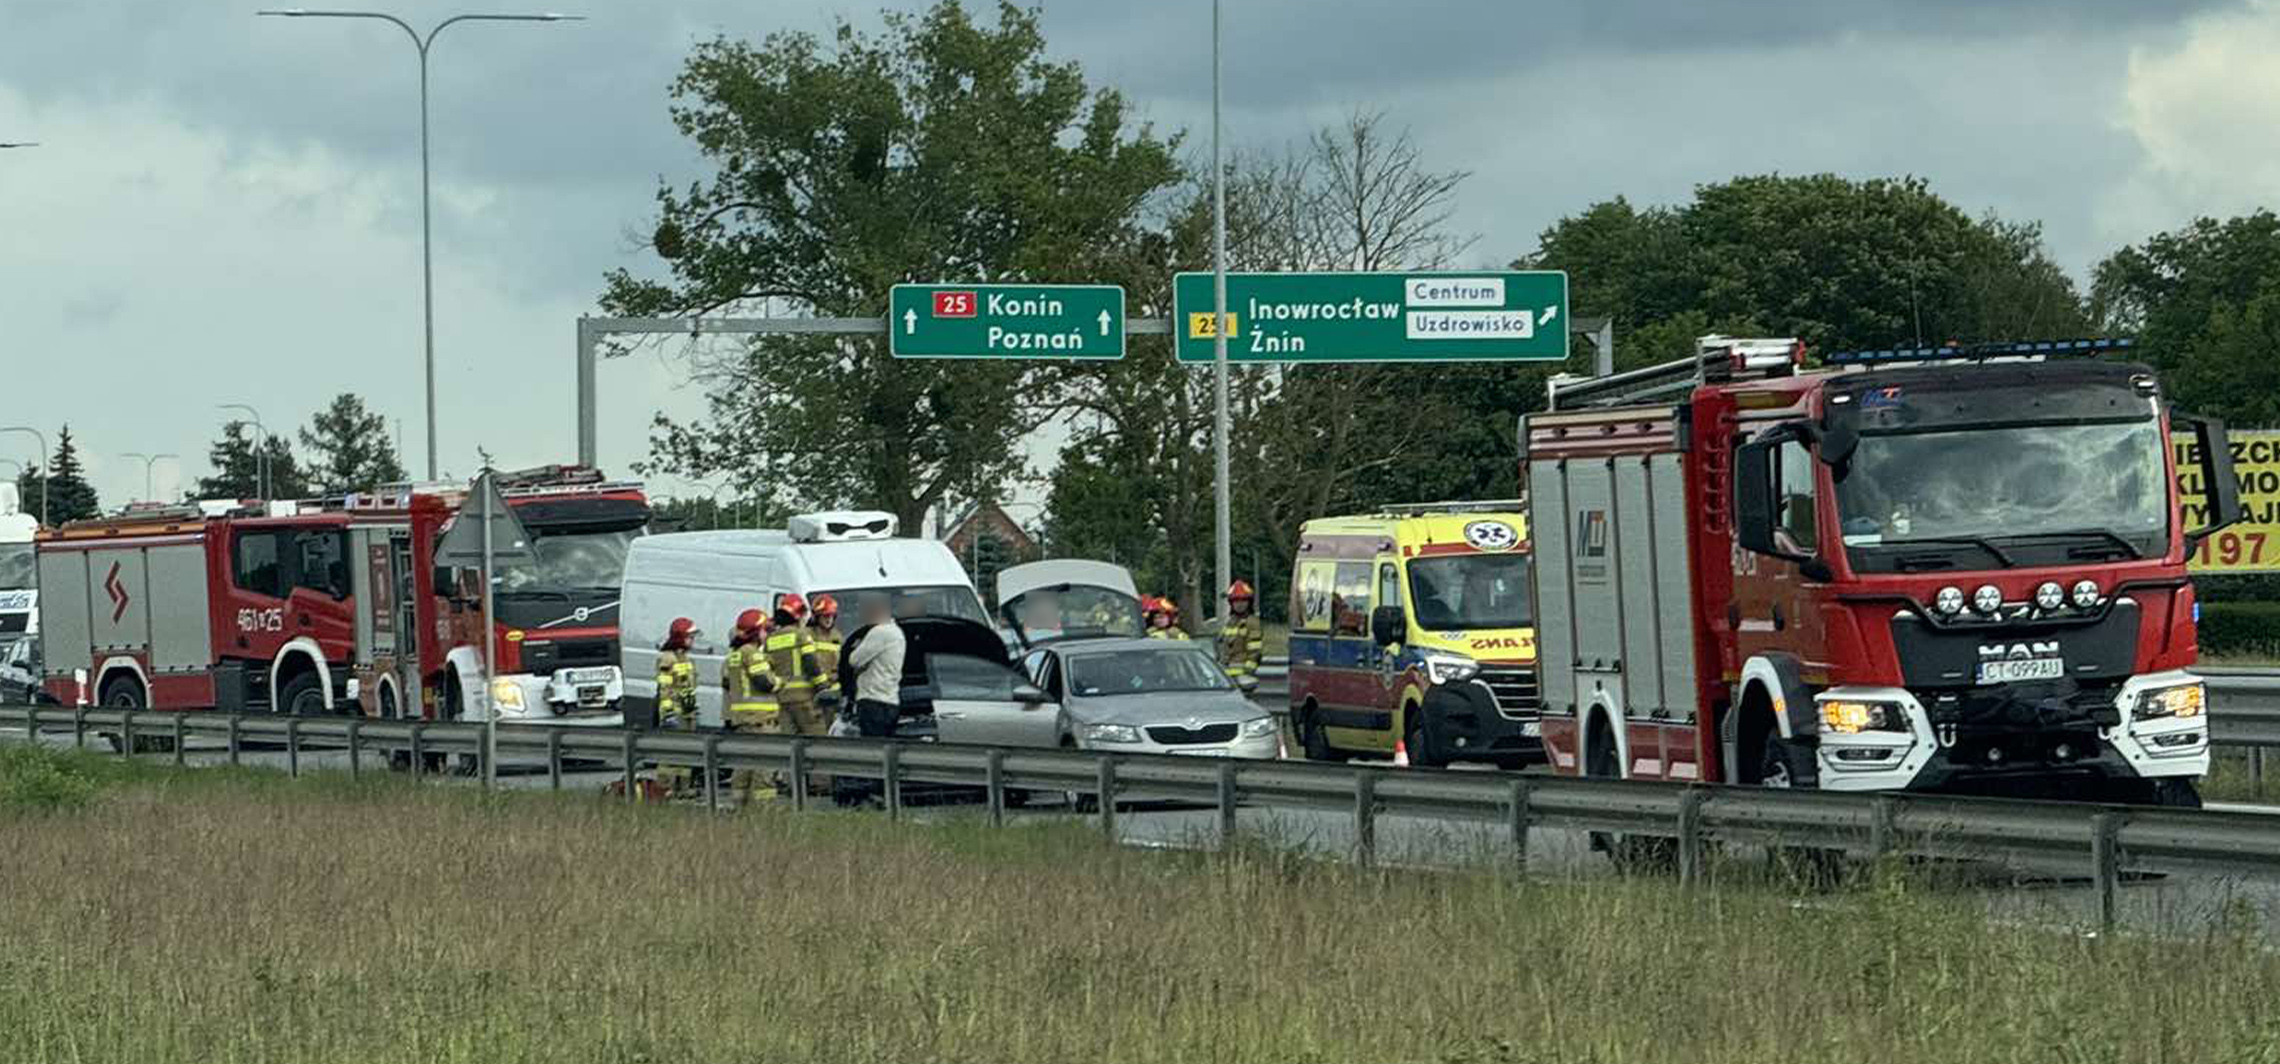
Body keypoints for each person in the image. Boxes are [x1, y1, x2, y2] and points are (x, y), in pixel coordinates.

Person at [721, 608, 780, 804]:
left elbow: (727, 683)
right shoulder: (752, 654)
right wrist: (780, 682)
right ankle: (764, 809)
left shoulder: (734, 655)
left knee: (743, 766)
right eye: (764, 630)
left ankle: (739, 807)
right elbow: (765, 683)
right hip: (760, 720)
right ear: (756, 632)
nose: (766, 634)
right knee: (764, 765)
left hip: (742, 719)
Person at [766, 593, 827, 740]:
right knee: (817, 740)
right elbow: (811, 662)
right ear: (798, 615)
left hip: (781, 698)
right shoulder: (801, 635)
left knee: (787, 743)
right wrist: (823, 686)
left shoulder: (771, 639)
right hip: (803, 698)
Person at [846, 594, 907, 738]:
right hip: (891, 700)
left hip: (873, 702)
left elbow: (854, 660)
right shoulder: (898, 633)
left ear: (876, 610)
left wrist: (858, 647)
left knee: (872, 749)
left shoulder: (880, 632)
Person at [653, 617, 700, 797]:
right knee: (670, 755)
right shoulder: (668, 659)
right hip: (674, 715)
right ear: (680, 637)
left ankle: (683, 788)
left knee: (686, 754)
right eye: (690, 637)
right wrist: (668, 713)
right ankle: (665, 788)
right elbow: (664, 688)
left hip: (688, 713)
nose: (692, 641)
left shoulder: (686, 659)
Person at [1217, 580, 1264, 689]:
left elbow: (1255, 652)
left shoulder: (1252, 623)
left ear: (1249, 603)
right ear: (1231, 603)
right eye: (1236, 601)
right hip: (1226, 677)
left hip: (1243, 679)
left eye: (1243, 600)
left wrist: (1248, 672)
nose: (1239, 604)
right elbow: (1222, 646)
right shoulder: (1230, 622)